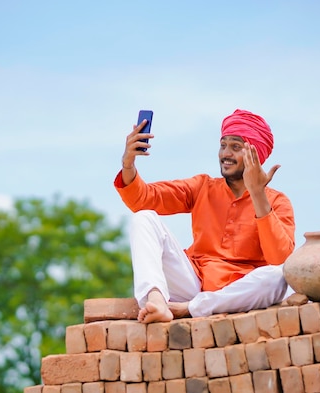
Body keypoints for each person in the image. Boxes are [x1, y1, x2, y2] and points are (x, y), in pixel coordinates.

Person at [114, 109, 295, 324]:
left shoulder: (277, 201)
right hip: (193, 281)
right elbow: (142, 199)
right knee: (144, 218)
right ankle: (156, 300)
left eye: (236, 147)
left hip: (239, 292)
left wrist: (257, 194)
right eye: (223, 145)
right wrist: (128, 164)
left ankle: (189, 309)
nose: (226, 153)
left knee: (277, 276)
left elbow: (279, 258)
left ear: (256, 156)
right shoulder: (203, 187)